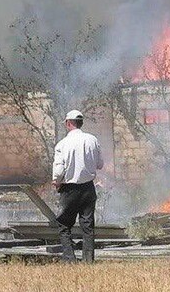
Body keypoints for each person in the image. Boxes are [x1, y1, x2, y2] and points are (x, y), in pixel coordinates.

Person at [52, 109, 103, 263]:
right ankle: (88, 261)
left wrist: (56, 181)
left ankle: (70, 259)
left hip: (70, 189)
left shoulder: (62, 144)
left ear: (68, 123)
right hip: (88, 188)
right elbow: (100, 164)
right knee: (88, 226)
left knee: (63, 224)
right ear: (81, 123)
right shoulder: (92, 140)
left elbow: (59, 169)